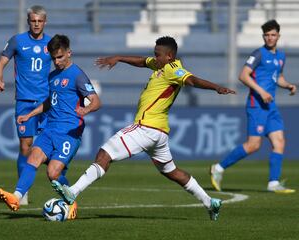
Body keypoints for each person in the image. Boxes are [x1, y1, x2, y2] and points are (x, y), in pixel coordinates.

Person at [51, 36, 236, 221]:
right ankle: (210, 202)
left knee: (104, 154)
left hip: (146, 128)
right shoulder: (160, 65)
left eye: (158, 55)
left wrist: (217, 88)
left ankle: (73, 191)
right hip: (159, 133)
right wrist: (118, 58)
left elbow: (192, 81)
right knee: (172, 172)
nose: (154, 58)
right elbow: (141, 61)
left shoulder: (173, 69)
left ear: (170, 56)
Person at [0, 34, 101, 219]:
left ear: (69, 53)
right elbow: (49, 102)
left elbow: (96, 101)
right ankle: (16, 197)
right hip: (49, 129)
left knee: (52, 173)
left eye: (60, 57)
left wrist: (86, 110)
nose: (56, 61)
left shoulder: (77, 74)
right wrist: (29, 114)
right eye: (53, 58)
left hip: (68, 132)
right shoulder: (52, 76)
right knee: (32, 158)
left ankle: (71, 200)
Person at [210, 20, 297, 194]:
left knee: (279, 142)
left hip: (271, 106)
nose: (270, 38)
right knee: (253, 145)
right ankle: (218, 168)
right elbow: (243, 75)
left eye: (273, 34)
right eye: (266, 35)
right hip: (256, 105)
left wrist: (287, 85)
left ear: (278, 36)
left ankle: (273, 183)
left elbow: (277, 77)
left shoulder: (281, 57)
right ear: (263, 36)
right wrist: (261, 91)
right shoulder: (258, 54)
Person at [0, 5, 68, 205]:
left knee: (51, 148)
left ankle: (67, 190)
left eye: (40, 21)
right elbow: (0, 63)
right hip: (25, 102)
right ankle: (22, 192)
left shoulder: (51, 43)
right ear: (28, 21)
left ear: (45, 21)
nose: (36, 24)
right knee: (25, 147)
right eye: (33, 20)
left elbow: (62, 66)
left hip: (46, 103)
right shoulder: (17, 40)